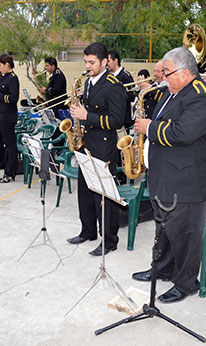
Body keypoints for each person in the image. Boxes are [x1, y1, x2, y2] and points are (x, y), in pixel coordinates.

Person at [131, 46, 206, 303]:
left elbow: (182, 132)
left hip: (187, 181)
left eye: (167, 72)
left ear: (185, 72)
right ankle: (164, 268)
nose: (163, 77)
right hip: (165, 175)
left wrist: (150, 127)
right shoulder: (171, 91)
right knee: (165, 229)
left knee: (186, 235)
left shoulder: (202, 96)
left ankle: (186, 282)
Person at [66, 42, 127, 256]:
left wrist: (86, 116)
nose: (87, 66)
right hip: (86, 144)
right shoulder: (89, 83)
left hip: (103, 147)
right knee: (85, 191)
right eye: (85, 62)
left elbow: (118, 120)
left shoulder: (114, 85)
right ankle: (88, 231)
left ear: (105, 62)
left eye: (92, 62)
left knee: (103, 196)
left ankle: (109, 240)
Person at [0, 54, 20, 183]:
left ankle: (10, 172)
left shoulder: (13, 78)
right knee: (5, 144)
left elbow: (13, 98)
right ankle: (7, 171)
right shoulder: (3, 77)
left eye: (0, 65)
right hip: (1, 113)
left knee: (10, 144)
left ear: (7, 64)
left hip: (8, 115)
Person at [107, 50, 134, 128]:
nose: (106, 64)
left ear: (115, 60)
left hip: (123, 121)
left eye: (108, 61)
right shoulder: (107, 77)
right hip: (110, 119)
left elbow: (132, 96)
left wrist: (117, 95)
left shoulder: (125, 76)